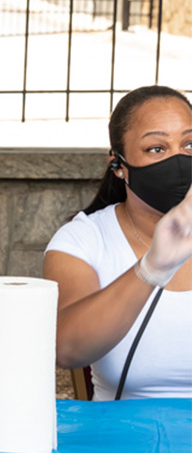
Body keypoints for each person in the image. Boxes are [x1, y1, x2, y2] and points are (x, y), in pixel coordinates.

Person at [44, 85, 192, 400]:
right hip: (124, 439)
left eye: (189, 144)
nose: (179, 159)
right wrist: (151, 269)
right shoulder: (83, 239)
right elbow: (67, 349)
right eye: (157, 148)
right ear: (119, 165)